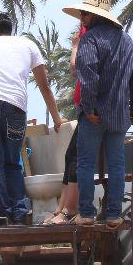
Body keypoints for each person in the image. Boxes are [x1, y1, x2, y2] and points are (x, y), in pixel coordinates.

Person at [0, 12, 64, 225]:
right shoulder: (29, 45)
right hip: (16, 105)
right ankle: (20, 214)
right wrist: (57, 119)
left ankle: (2, 214)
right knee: (13, 162)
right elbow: (45, 86)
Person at [64, 0, 133, 228]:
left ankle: (87, 213)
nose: (81, 17)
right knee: (116, 164)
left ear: (95, 15)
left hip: (95, 114)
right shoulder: (126, 40)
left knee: (85, 163)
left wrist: (88, 109)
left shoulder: (90, 39)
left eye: (85, 14)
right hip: (119, 115)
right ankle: (114, 215)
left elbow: (88, 77)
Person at [43, 21, 87, 225]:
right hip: (87, 107)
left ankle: (69, 210)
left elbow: (74, 67)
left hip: (91, 108)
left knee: (77, 158)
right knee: (71, 156)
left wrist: (75, 46)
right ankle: (61, 209)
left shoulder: (89, 35)